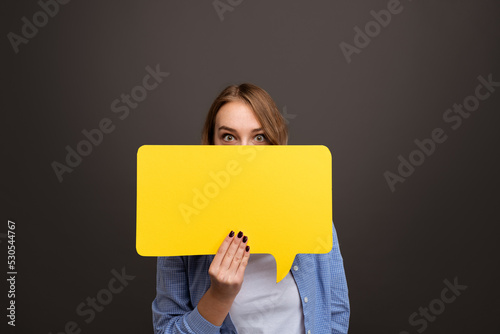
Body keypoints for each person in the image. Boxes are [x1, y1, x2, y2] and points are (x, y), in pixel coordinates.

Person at [152, 83, 350, 333]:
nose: (244, 154)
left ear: (276, 145)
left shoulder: (311, 212)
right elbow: (166, 329)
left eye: (259, 137)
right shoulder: (180, 229)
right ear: (210, 145)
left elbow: (335, 313)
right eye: (229, 137)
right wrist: (219, 297)